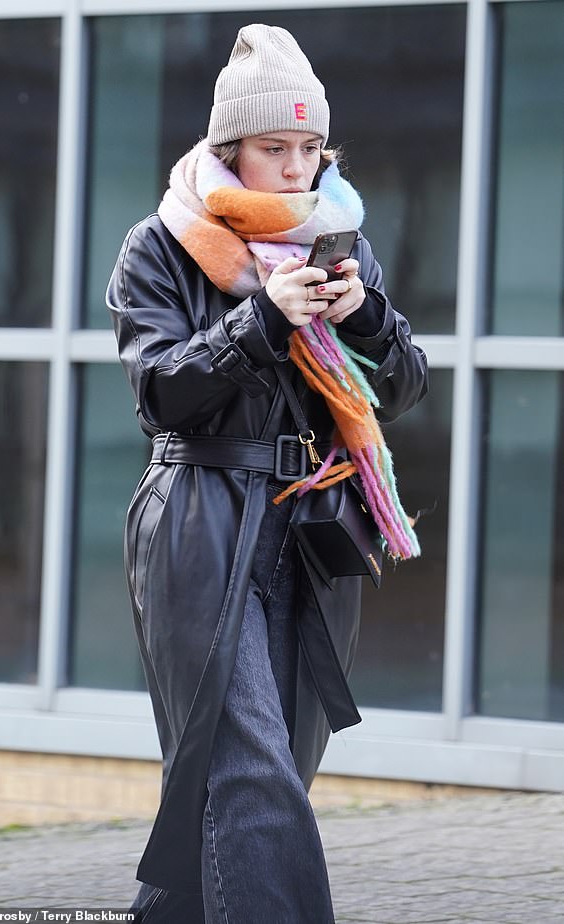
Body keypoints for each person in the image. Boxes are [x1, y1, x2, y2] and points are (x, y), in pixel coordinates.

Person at [106, 23, 428, 924]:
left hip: (312, 530)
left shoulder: (338, 242)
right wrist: (262, 323)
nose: (295, 168)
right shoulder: (161, 245)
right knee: (246, 769)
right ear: (229, 149)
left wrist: (363, 318)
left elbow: (401, 387)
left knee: (267, 767)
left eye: (310, 149)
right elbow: (161, 394)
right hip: (202, 520)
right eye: (274, 149)